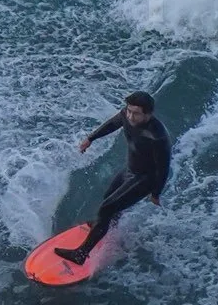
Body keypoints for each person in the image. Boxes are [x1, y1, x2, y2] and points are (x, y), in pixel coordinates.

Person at [56, 91, 171, 266]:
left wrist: (156, 193)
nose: (130, 116)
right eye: (129, 110)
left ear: (148, 114)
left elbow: (163, 169)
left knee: (106, 208)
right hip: (130, 169)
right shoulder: (127, 114)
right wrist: (90, 138)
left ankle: (81, 254)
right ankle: (107, 227)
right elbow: (112, 124)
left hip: (145, 179)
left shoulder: (158, 137)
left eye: (136, 113)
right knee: (108, 199)